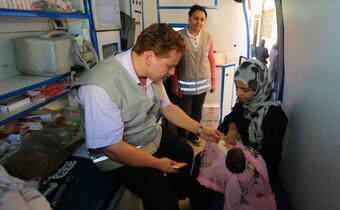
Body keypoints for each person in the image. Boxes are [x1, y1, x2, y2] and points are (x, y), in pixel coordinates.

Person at [72, 23, 221, 210]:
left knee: (185, 151)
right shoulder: (99, 88)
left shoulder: (150, 71)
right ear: (150, 57)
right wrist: (158, 164)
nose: (172, 72)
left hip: (145, 135)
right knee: (162, 196)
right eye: (170, 66)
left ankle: (179, 195)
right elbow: (113, 149)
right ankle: (168, 200)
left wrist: (200, 129)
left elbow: (167, 107)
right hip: (117, 155)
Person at [218, 58, 288, 180]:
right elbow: (226, 123)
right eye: (237, 87)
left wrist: (241, 157)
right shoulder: (244, 104)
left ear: (260, 87)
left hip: (255, 171)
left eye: (244, 89)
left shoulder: (275, 116)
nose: (238, 94)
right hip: (236, 161)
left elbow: (270, 162)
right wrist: (232, 127)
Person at [172, 4, 217, 146]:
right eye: (196, 18)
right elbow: (174, 62)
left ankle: (194, 135)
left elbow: (211, 59)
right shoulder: (178, 36)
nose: (199, 22)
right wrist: (174, 84)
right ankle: (182, 139)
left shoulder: (208, 36)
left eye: (202, 19)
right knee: (184, 114)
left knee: (197, 113)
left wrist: (213, 81)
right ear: (189, 18)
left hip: (203, 83)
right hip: (185, 86)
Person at [197, 141, 277, 210]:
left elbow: (231, 199)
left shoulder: (233, 181)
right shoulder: (251, 165)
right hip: (254, 187)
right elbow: (258, 160)